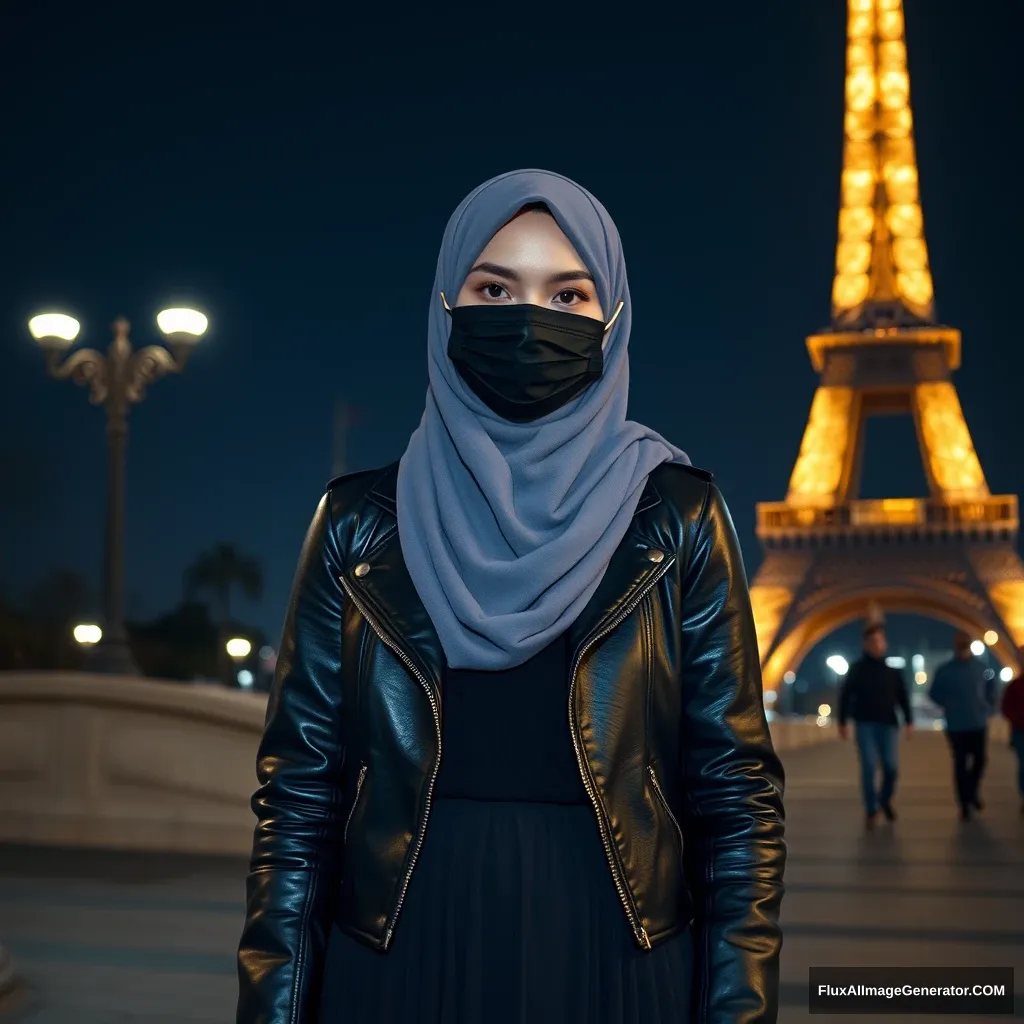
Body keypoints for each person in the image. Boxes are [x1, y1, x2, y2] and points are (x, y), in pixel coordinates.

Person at [236, 170, 786, 1024]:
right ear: (446, 304)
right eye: (496, 287)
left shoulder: (677, 517)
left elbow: (735, 795)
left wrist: (737, 1010)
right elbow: (300, 798)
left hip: (618, 952)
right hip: (397, 949)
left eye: (569, 293)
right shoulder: (355, 524)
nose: (531, 321)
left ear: (614, 320)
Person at [837, 621, 913, 827]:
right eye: (872, 641)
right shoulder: (856, 669)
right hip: (865, 725)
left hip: (888, 724)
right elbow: (845, 696)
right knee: (869, 766)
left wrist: (909, 721)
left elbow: (903, 697)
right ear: (865, 644)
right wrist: (842, 721)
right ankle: (871, 809)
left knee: (891, 767)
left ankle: (885, 799)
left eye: (879, 640)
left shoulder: (893, 672)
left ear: (885, 643)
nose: (876, 644)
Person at [928, 631, 998, 821]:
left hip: (977, 723)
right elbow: (933, 693)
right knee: (960, 764)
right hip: (956, 724)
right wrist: (946, 703)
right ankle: (965, 803)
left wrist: (987, 706)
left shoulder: (981, 668)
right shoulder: (945, 670)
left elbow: (992, 689)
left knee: (980, 761)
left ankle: (971, 793)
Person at [999, 645, 1024, 814]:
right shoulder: (1015, 685)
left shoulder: (1015, 685)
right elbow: (1005, 708)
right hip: (1020, 730)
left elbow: (1005, 708)